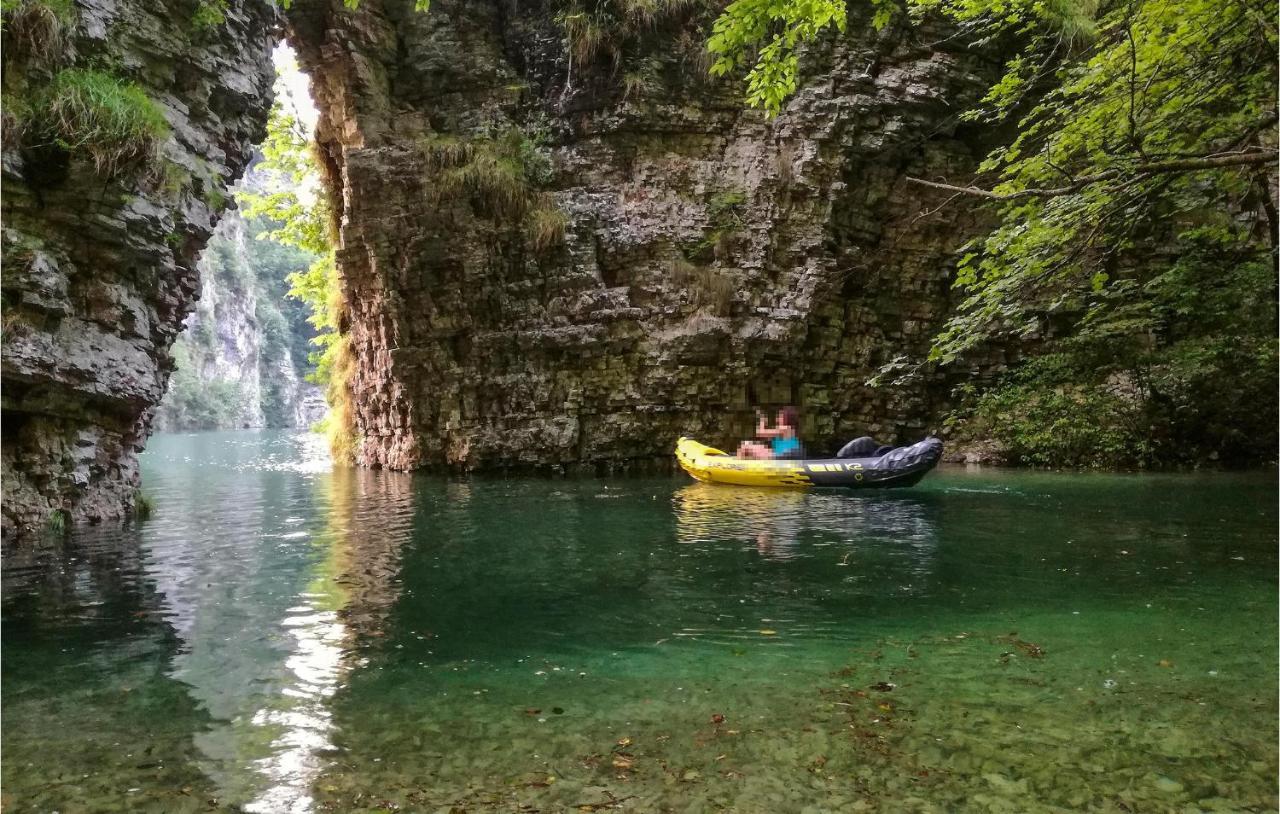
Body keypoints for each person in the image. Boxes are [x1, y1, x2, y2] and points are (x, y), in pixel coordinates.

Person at [737, 406, 804, 460]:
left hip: (781, 458)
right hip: (777, 456)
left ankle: (738, 465)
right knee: (755, 447)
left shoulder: (786, 429)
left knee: (746, 445)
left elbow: (760, 432)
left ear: (786, 419)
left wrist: (762, 419)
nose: (777, 419)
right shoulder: (785, 430)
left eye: (780, 417)